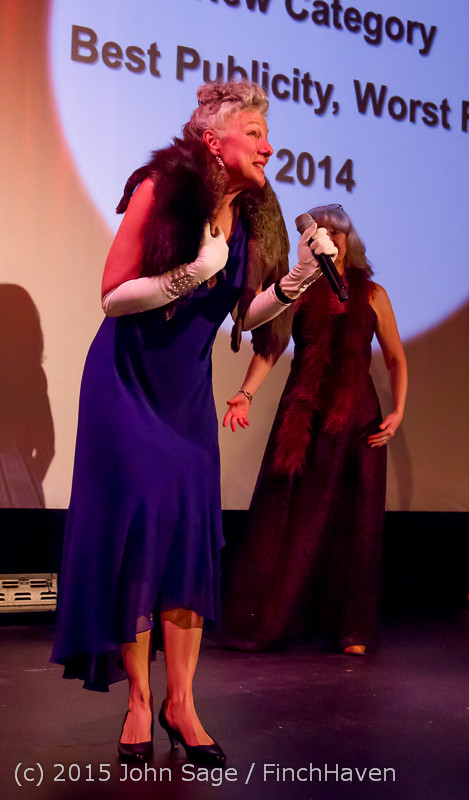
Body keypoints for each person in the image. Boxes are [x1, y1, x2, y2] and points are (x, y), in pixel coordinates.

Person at [51, 80, 336, 765]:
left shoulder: (253, 214)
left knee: (185, 540)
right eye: (254, 134)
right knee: (137, 538)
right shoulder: (160, 190)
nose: (269, 147)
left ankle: (180, 703)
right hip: (126, 389)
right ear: (212, 140)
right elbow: (113, 296)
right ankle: (138, 702)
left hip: (184, 399)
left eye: (267, 134)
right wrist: (194, 270)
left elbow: (242, 313)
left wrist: (297, 279)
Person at [222, 203, 407, 655]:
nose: (330, 239)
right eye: (320, 232)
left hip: (357, 417)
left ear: (349, 240)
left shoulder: (373, 294)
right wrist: (245, 393)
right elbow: (269, 348)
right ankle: (268, 623)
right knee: (286, 516)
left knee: (354, 521)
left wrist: (398, 411)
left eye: (337, 232)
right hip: (302, 418)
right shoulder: (300, 289)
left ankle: (351, 630)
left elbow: (396, 358)